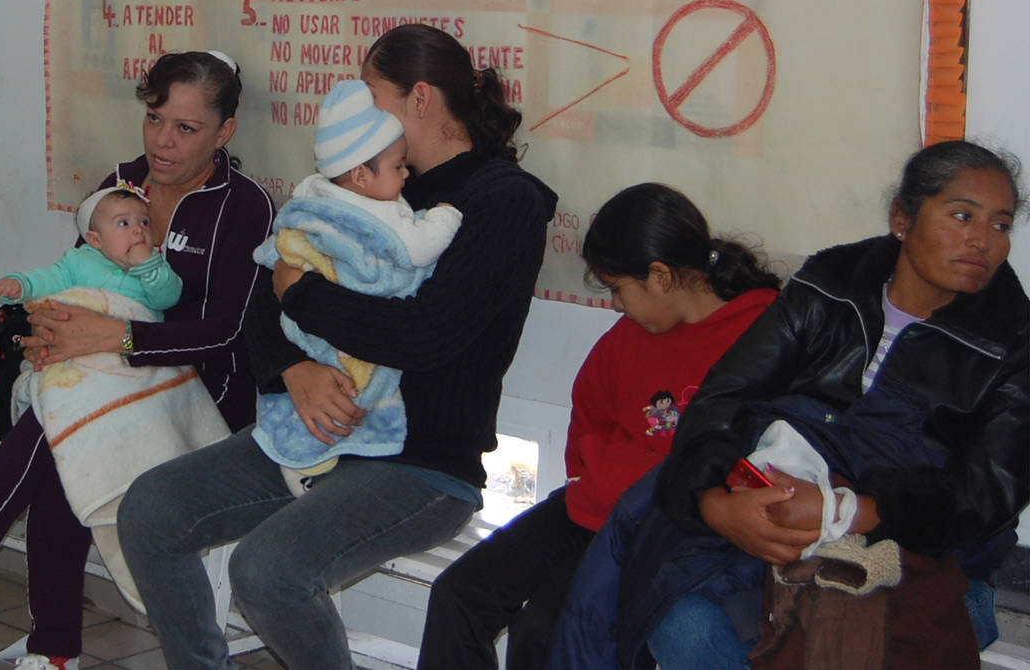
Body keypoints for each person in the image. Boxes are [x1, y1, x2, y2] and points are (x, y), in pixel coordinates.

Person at [117, 22, 558, 669]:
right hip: (314, 434)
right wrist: (293, 368)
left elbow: (425, 334)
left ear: (420, 99)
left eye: (371, 95)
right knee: (151, 510)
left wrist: (304, 295)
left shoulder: (504, 201)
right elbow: (264, 296)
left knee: (267, 572)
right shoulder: (359, 177)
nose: (356, 109)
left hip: (422, 463)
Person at [0, 50, 275, 670]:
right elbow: (78, 276)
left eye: (186, 128)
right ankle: (49, 647)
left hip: (198, 400)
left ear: (223, 132)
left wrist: (117, 338)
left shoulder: (244, 206)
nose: (162, 141)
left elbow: (226, 335)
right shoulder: (122, 182)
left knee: (62, 426)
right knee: (64, 424)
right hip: (106, 377)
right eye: (155, 119)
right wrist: (50, 331)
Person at [551, 140, 1028, 668]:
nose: (982, 240)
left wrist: (843, 511)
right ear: (902, 218)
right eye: (962, 216)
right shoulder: (831, 285)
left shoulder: (1011, 340)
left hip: (921, 548)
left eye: (1001, 225)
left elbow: (989, 494)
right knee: (675, 617)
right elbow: (724, 397)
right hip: (778, 510)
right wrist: (714, 504)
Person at [417, 183, 781, 669]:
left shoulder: (762, 336)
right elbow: (588, 418)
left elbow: (753, 464)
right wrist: (596, 478)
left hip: (669, 527)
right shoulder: (629, 336)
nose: (615, 305)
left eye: (617, 288)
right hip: (591, 504)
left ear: (659, 276)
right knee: (459, 595)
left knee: (543, 631)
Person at [252, 78, 463, 495]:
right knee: (354, 386)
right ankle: (311, 458)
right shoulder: (377, 214)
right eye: (398, 167)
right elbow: (417, 248)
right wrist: (446, 216)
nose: (405, 174)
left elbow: (278, 258)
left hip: (310, 325)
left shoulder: (314, 197)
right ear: (362, 175)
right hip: (339, 331)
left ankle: (301, 457)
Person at [0, 181, 179, 311]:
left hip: (128, 346)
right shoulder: (79, 261)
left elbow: (167, 299)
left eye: (144, 222)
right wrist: (21, 285)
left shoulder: (156, 267)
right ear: (96, 240)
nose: (138, 229)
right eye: (123, 223)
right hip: (82, 341)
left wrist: (148, 267)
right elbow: (48, 279)